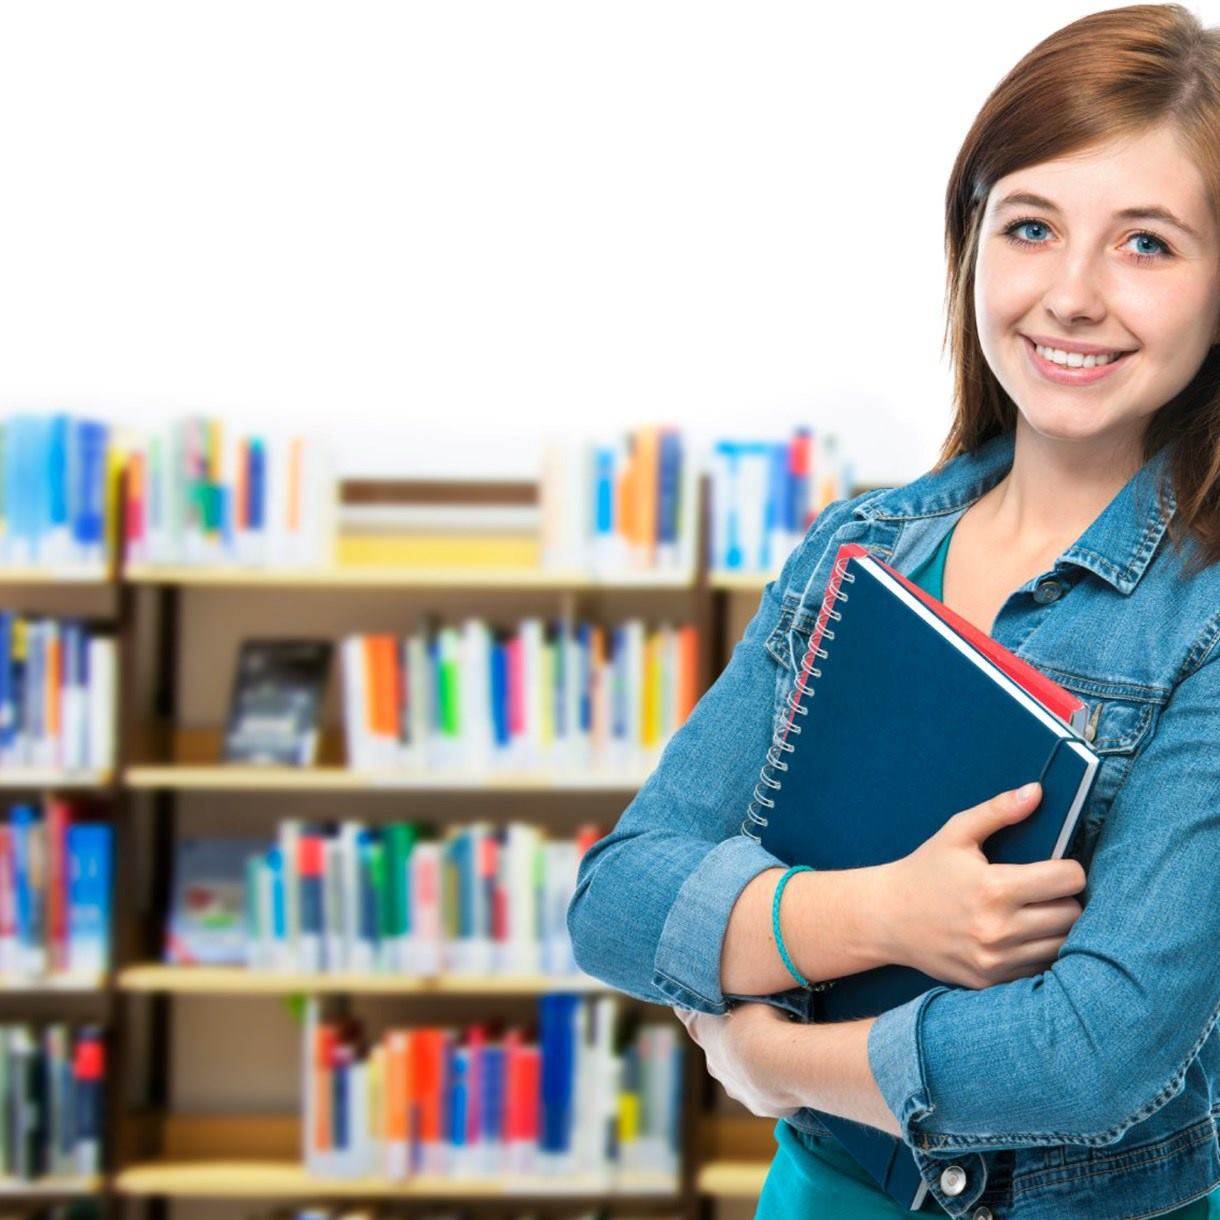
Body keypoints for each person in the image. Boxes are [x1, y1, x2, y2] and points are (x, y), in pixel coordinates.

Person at [566, 5, 1220, 1217]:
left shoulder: (1204, 619)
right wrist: (886, 912)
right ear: (970, 245)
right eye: (1030, 227)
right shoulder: (858, 550)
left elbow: (1093, 1053)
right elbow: (615, 899)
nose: (1070, 295)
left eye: (1145, 244)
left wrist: (773, 1057)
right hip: (820, 1193)